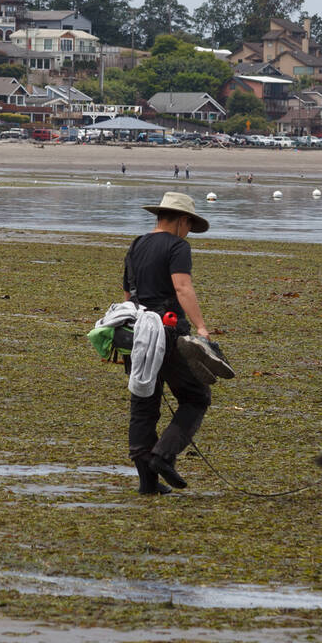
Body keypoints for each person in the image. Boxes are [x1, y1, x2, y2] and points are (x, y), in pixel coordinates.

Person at [121, 191, 219, 495]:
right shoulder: (178, 246)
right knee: (196, 398)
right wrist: (201, 327)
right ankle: (164, 456)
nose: (188, 232)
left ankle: (148, 484)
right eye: (189, 226)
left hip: (137, 331)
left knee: (144, 404)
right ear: (182, 220)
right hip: (168, 331)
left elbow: (127, 295)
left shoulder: (136, 244)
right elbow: (182, 287)